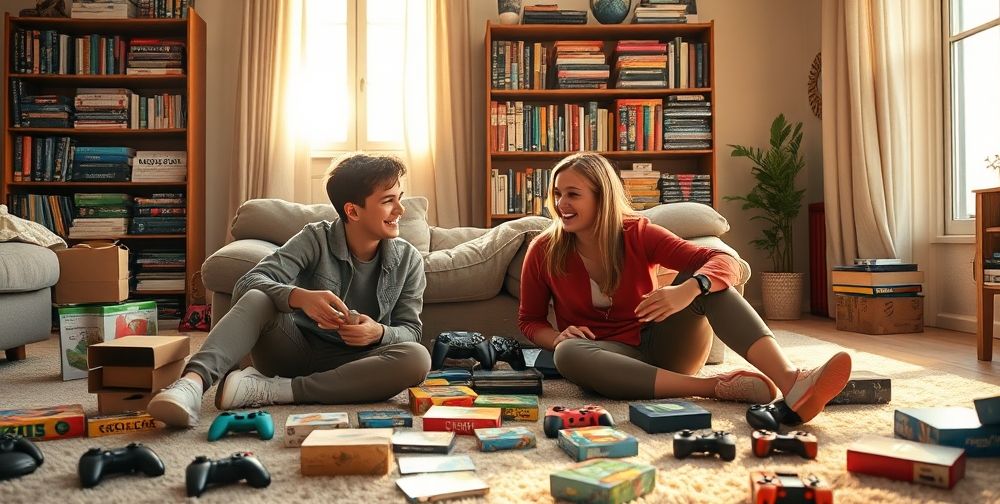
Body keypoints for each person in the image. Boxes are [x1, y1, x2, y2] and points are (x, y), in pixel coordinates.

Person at [518, 152, 851, 423]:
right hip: (609, 361)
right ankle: (712, 388)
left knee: (711, 284)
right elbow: (530, 320)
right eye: (557, 193)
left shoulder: (638, 233)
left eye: (573, 194)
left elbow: (725, 261)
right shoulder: (544, 249)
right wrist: (557, 337)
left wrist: (689, 289)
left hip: (666, 346)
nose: (562, 203)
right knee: (567, 353)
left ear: (601, 198)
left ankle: (792, 381)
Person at [148, 154, 431, 427]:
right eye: (388, 201)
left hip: (355, 365)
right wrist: (297, 298)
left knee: (417, 358)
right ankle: (190, 386)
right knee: (259, 296)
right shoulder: (314, 238)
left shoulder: (408, 259)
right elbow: (247, 283)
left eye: (400, 199)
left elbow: (411, 330)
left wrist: (378, 332)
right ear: (353, 211)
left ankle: (274, 391)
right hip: (292, 351)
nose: (400, 210)